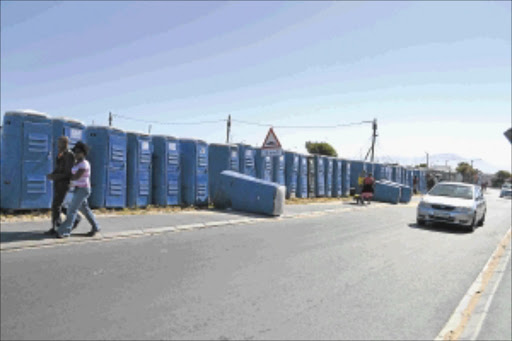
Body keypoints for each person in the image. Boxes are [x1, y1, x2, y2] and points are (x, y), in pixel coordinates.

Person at [56, 141, 100, 238]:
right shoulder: (76, 164)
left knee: (71, 210)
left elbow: (76, 177)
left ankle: (64, 231)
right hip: (77, 189)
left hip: (83, 189)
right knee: (85, 210)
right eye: (75, 151)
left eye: (78, 152)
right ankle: (96, 227)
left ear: (83, 153)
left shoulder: (84, 164)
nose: (76, 153)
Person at [45, 136, 81, 235]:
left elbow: (68, 173)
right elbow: (58, 168)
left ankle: (62, 225)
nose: (57, 145)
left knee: (57, 205)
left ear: (65, 144)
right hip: (58, 182)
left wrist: (55, 176)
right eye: (58, 143)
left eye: (60, 143)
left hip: (64, 183)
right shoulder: (61, 154)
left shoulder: (69, 155)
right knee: (57, 205)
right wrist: (52, 174)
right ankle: (57, 226)